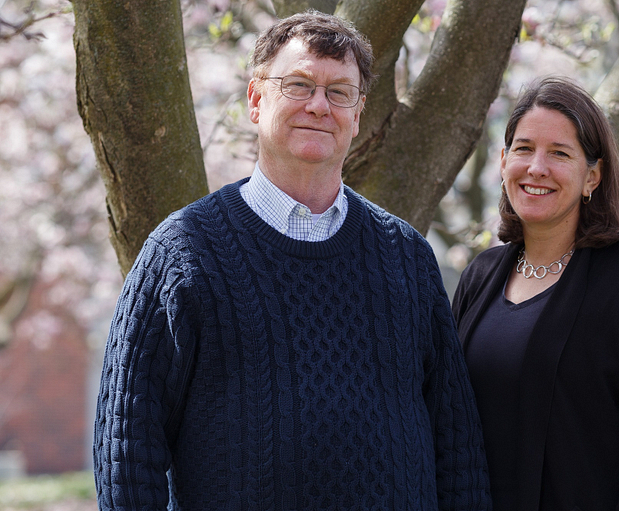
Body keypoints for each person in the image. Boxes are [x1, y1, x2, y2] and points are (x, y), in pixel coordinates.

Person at [93, 11, 491, 511]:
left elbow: (457, 444)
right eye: (299, 85)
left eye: (339, 92)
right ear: (257, 100)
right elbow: (126, 450)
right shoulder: (183, 252)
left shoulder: (407, 256)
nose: (319, 106)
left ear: (358, 112)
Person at [452, 76, 619, 511]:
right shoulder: (479, 277)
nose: (536, 168)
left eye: (559, 153)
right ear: (503, 162)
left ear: (592, 176)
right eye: (524, 149)